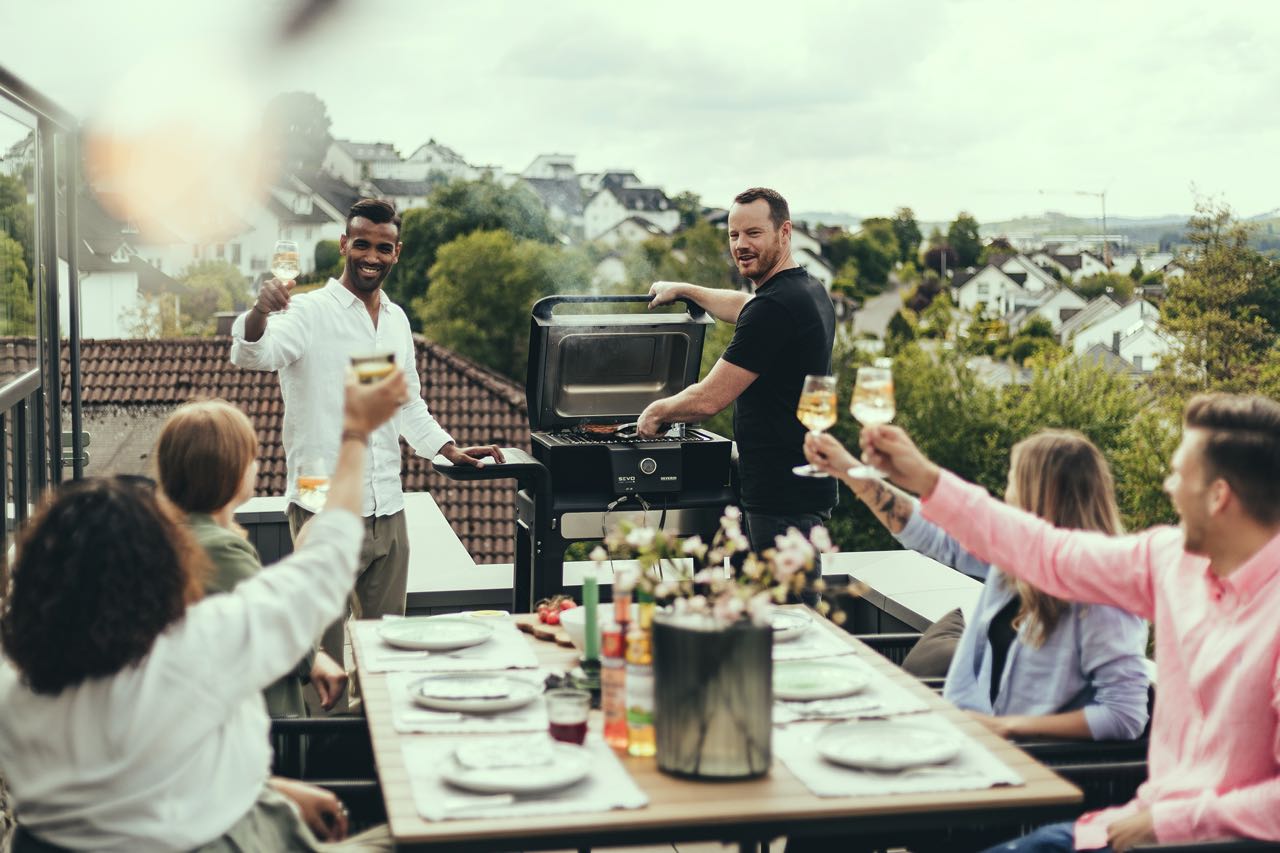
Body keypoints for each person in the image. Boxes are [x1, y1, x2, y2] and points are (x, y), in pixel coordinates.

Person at [808, 393, 1280, 852]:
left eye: (1179, 474)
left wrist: (1165, 822)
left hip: (1171, 834)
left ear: (1219, 496)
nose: (1167, 487)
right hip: (1115, 824)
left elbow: (1126, 717)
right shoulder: (1168, 561)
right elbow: (1044, 552)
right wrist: (926, 478)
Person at [0, 372, 405, 851]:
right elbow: (325, 566)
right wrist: (356, 433)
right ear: (155, 572)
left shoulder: (13, 689)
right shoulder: (194, 652)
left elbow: (136, 787)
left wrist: (272, 791)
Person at [230, 198, 503, 670]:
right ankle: (324, 745)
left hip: (387, 509)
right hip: (323, 505)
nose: (371, 256)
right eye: (361, 244)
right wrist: (258, 310)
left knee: (387, 657)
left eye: (383, 247)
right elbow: (252, 354)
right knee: (325, 658)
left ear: (397, 253)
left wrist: (446, 448)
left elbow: (402, 404)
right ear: (344, 245)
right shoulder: (309, 312)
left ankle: (374, 747)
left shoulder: (395, 322)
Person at [806, 429, 1149, 742]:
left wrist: (1006, 727)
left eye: (1013, 482)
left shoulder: (1105, 597)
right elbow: (933, 535)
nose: (1007, 494)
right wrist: (848, 469)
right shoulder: (1014, 561)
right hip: (965, 738)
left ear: (1040, 497)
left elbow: (1124, 715)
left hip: (1035, 765)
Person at [638, 187, 837, 555]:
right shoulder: (809, 290)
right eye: (734, 235)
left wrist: (654, 412)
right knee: (785, 610)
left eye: (753, 233)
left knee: (785, 611)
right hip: (801, 488)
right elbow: (745, 305)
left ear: (785, 232)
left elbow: (708, 399)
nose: (741, 244)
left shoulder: (774, 309)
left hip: (779, 500)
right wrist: (683, 289)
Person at [155, 399, 347, 716]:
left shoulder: (177, 535)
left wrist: (315, 659)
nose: (257, 466)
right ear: (228, 471)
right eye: (252, 457)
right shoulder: (217, 550)